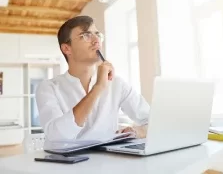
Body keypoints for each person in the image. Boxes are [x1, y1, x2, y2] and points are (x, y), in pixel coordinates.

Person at [35, 15, 150, 146]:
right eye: (86, 35)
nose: (96, 41)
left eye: (98, 35)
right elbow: (57, 135)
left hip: (107, 162)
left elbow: (153, 120)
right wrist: (98, 88)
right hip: (64, 164)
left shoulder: (117, 84)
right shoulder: (48, 88)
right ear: (67, 48)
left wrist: (136, 131)